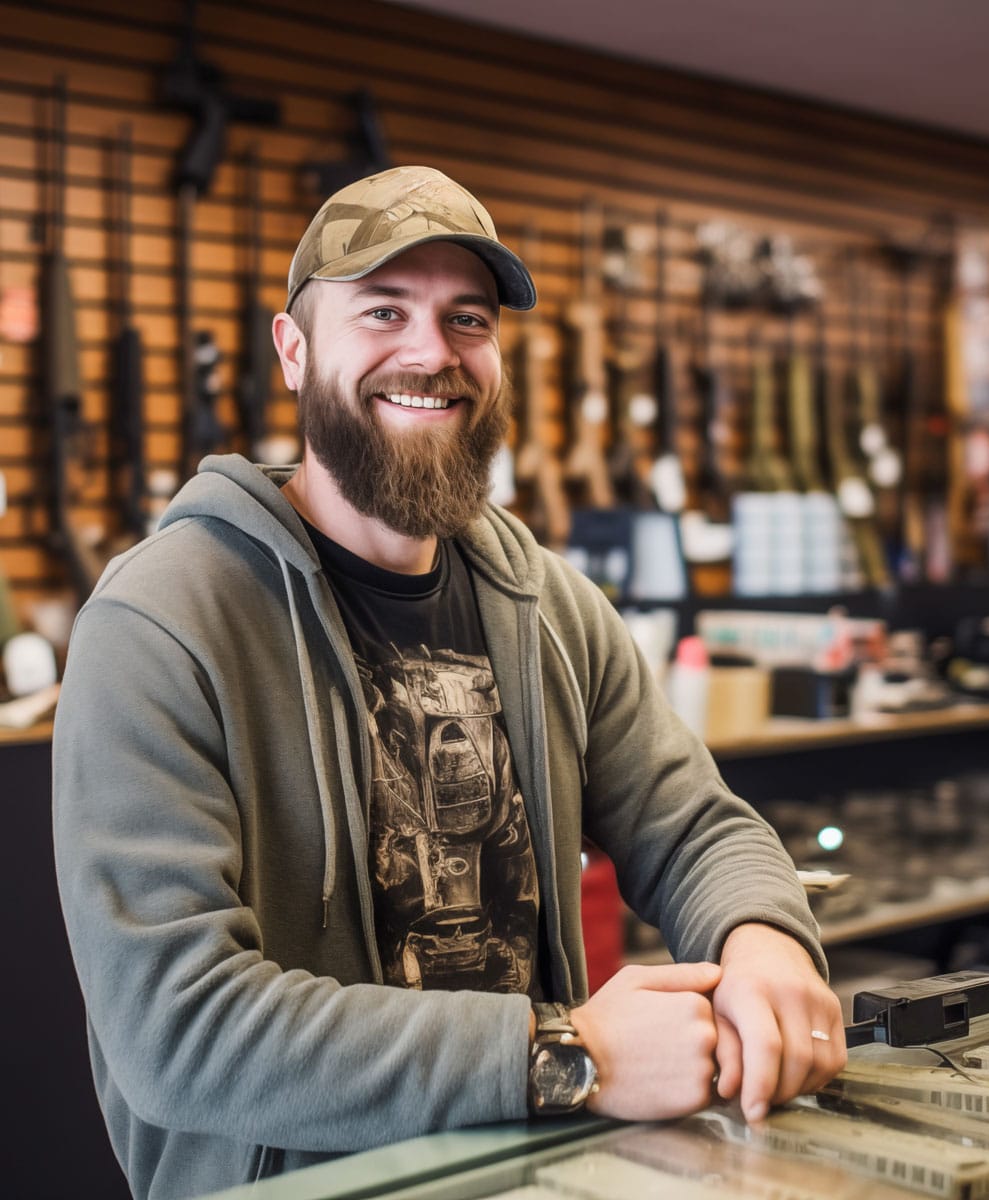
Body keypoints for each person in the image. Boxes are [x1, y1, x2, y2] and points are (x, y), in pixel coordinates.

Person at [53, 165, 846, 1200]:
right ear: (293, 351)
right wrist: (568, 1054)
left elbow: (695, 827)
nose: (431, 353)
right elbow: (180, 1029)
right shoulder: (161, 624)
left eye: (467, 319)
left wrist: (767, 941)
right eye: (384, 310)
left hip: (544, 1172)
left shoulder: (548, 607)